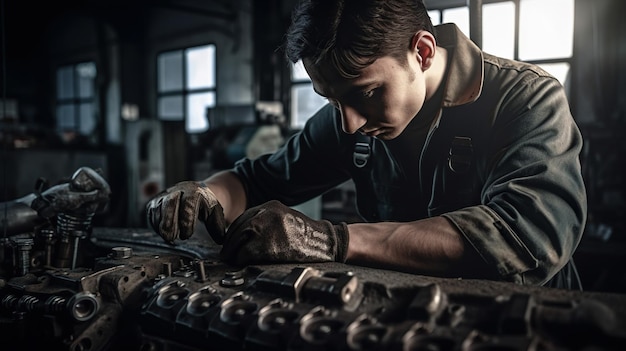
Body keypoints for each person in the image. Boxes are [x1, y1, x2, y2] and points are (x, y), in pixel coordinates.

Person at [146, 0, 587, 289]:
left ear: (423, 52)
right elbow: (256, 181)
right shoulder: (348, 116)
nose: (350, 123)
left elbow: (528, 235)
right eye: (332, 99)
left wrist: (331, 241)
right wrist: (204, 193)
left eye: (366, 93)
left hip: (525, 323)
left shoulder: (526, 98)